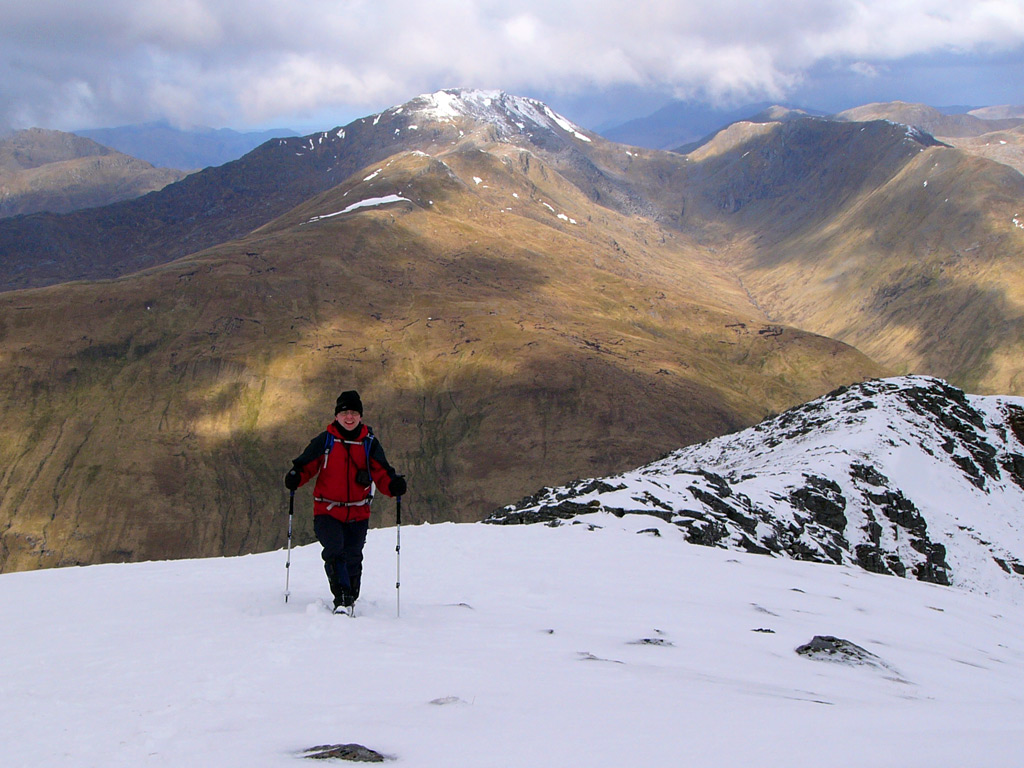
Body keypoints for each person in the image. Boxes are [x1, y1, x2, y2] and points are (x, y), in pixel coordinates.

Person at [284, 390, 406, 613]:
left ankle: (351, 596)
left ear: (360, 416)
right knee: (334, 550)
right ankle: (342, 598)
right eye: (344, 413)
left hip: (358, 512)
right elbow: (306, 465)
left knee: (353, 556)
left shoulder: (369, 444)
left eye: (354, 413)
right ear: (336, 416)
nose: (349, 417)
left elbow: (382, 472)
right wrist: (295, 476)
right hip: (327, 509)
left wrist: (393, 485)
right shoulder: (325, 441)